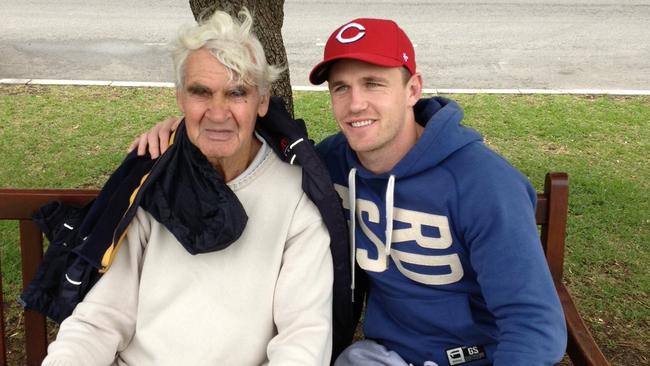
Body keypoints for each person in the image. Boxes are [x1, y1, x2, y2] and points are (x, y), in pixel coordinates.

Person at [132, 17, 568, 366]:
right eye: (341, 87)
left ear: (412, 89)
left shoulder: (483, 184)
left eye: (373, 83)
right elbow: (246, 147)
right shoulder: (334, 164)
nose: (355, 103)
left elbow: (534, 324)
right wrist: (185, 138)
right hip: (380, 355)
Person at [42, 9, 335, 366]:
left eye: (236, 92)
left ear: (262, 101)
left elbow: (302, 341)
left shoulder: (296, 199)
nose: (217, 112)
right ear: (181, 98)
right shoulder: (153, 179)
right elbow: (100, 318)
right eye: (201, 92)